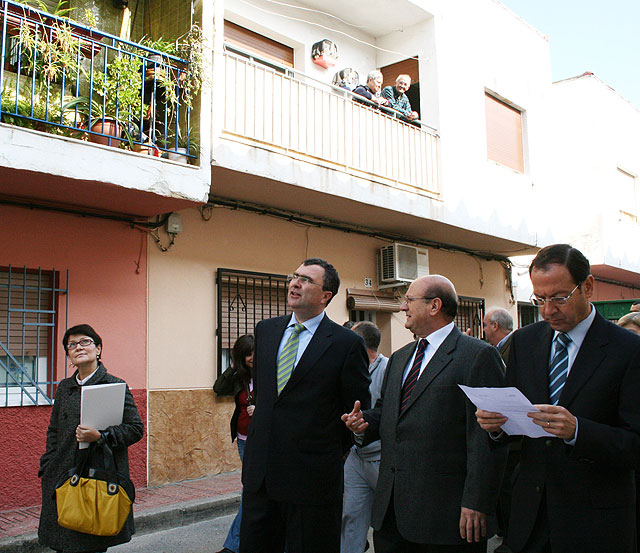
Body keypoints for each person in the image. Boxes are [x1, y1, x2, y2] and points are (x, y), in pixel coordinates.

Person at [476, 244, 640, 553]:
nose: (549, 310)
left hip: (595, 524)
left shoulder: (627, 351)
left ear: (587, 286)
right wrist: (496, 425)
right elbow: (515, 422)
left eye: (560, 298)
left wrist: (578, 430)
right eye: (540, 299)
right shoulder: (526, 342)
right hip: (530, 518)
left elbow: (635, 444)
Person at [343, 275, 506, 552]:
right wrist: (364, 424)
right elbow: (390, 412)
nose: (402, 308)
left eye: (408, 300)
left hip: (445, 516)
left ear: (435, 306)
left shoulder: (477, 356)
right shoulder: (400, 357)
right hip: (391, 513)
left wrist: (477, 501)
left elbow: (486, 436)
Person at [239, 258, 370, 553]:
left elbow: (357, 410)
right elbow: (266, 394)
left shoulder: (345, 343)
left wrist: (326, 451)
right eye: (294, 276)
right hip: (261, 476)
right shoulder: (266, 331)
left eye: (307, 280)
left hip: (312, 480)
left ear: (326, 296)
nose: (295, 283)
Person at [38, 324, 144, 553]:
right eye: (72, 345)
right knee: (62, 541)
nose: (78, 347)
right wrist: (47, 464)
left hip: (96, 478)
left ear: (98, 349)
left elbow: (135, 429)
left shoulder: (114, 385)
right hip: (61, 477)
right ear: (68, 354)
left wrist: (102, 436)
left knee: (89, 542)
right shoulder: (65, 387)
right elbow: (53, 430)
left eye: (85, 342)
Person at [341, 321, 388, 553]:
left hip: (383, 459)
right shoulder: (347, 368)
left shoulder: (389, 369)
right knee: (350, 518)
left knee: (388, 522)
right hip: (355, 457)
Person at [214, 334, 255, 553]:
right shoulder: (239, 377)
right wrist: (233, 365)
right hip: (243, 439)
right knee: (252, 489)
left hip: (262, 440)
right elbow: (218, 387)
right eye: (247, 354)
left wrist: (260, 409)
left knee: (250, 490)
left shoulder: (269, 373)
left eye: (255, 353)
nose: (252, 358)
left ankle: (234, 544)